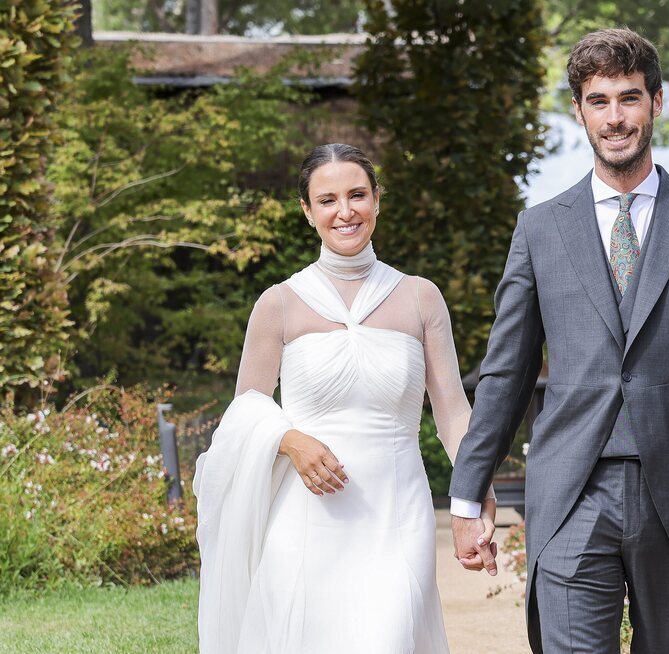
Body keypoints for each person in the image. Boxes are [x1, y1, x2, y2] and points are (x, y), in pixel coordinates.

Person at [448, 29, 669, 654]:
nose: (615, 117)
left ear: (657, 102)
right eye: (599, 101)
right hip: (569, 493)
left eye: (629, 98)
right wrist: (466, 491)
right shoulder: (539, 229)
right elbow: (505, 372)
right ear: (579, 111)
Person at [193, 144, 495, 653]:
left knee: (390, 636)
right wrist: (290, 440)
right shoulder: (279, 303)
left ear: (377, 200)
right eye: (327, 199)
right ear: (308, 212)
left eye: (357, 195)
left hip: (397, 511)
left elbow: (452, 414)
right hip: (306, 515)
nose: (345, 210)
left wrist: (475, 496)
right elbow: (244, 410)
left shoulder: (421, 297)